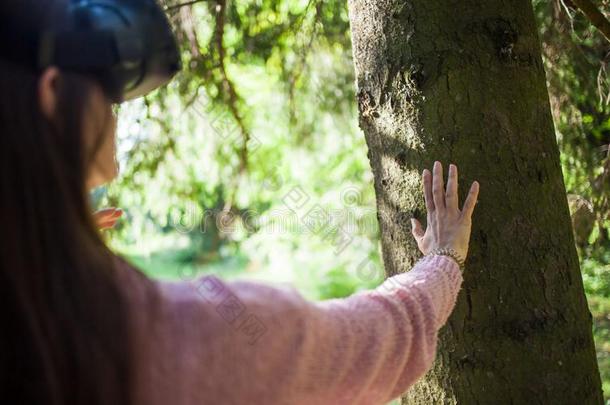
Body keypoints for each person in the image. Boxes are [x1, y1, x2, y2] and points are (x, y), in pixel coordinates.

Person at [0, 0, 480, 404]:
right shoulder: (194, 341)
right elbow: (368, 341)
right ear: (55, 96)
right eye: (107, 93)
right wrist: (443, 260)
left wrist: (44, 228)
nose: (115, 112)